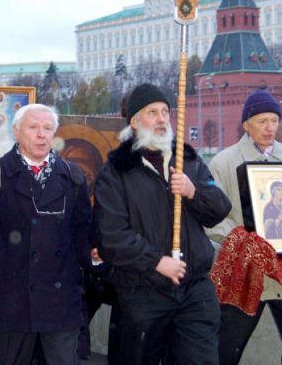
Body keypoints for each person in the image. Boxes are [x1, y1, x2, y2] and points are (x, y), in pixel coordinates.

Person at [93, 83, 231, 365]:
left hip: (194, 289)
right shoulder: (115, 172)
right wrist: (156, 261)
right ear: (133, 122)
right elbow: (112, 237)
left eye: (165, 112)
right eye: (152, 112)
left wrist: (193, 192)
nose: (161, 119)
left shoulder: (188, 161)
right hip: (141, 291)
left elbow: (219, 208)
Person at [0, 103, 93, 365]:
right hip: (9, 302)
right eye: (33, 127)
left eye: (47, 128)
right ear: (16, 132)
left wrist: (95, 256)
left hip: (59, 301)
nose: (41, 134)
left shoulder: (72, 177)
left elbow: (83, 231)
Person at [206, 89, 282, 365]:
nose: (270, 128)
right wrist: (242, 241)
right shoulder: (223, 162)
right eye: (262, 121)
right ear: (246, 124)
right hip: (246, 271)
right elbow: (212, 216)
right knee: (226, 347)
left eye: (274, 120)